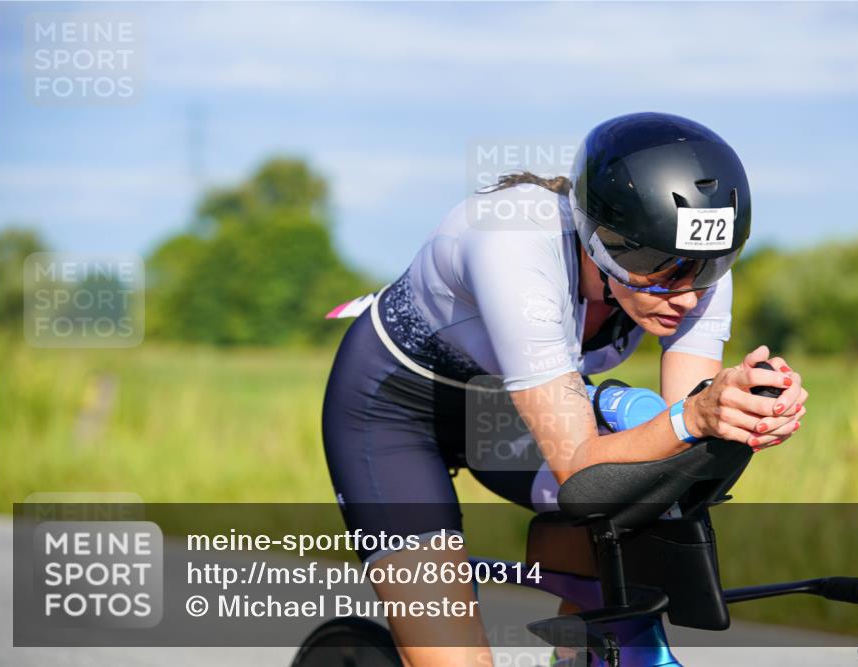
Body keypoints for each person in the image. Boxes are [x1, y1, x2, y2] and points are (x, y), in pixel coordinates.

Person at [320, 112, 808, 666]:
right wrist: (696, 415)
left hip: (511, 409)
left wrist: (742, 413)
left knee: (645, 505)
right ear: (601, 243)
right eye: (662, 270)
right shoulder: (515, 245)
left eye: (709, 267)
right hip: (396, 414)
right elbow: (584, 468)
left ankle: (576, 654)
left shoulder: (690, 259)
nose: (689, 294)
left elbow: (678, 446)